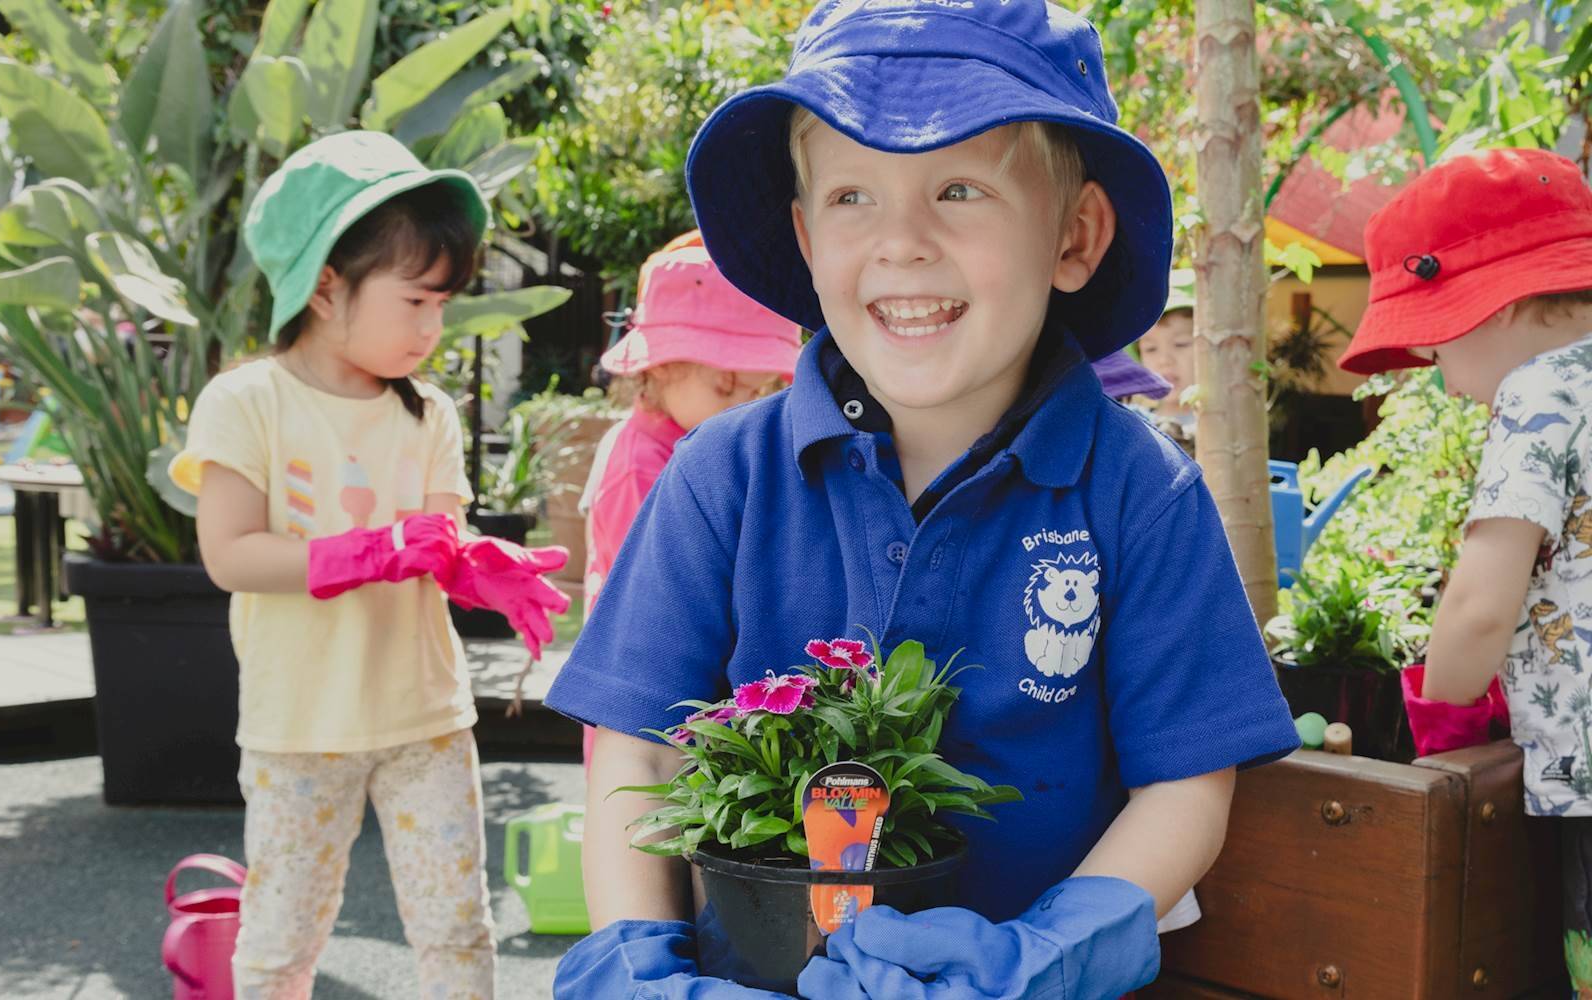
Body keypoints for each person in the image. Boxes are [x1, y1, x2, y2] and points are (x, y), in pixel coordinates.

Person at [546, 1, 1300, 996]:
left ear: (1074, 236)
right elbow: (635, 744)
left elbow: (1187, 783)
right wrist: (640, 960)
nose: (901, 243)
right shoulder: (718, 476)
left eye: (957, 188)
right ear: (806, 238)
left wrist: (1042, 954)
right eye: (853, 196)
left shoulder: (1141, 490)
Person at [168, 131, 568, 998]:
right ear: (323, 287)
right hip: (298, 730)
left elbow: (441, 541)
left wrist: (474, 567)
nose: (434, 327)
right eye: (416, 301)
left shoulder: (427, 416)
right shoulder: (248, 402)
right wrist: (369, 550)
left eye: (443, 305)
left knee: (459, 931)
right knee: (281, 940)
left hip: (425, 719)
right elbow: (230, 553)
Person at [1337, 147, 1592, 992]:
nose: (1444, 385)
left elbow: (1482, 606)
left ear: (1491, 308)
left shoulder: (1540, 392)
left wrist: (1439, 713)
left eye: (1433, 351)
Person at [577, 231, 802, 765]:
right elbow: (656, 619)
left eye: (761, 389)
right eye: (726, 388)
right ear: (657, 369)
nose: (742, 408)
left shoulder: (710, 450)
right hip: (653, 720)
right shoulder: (641, 466)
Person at [1135, 268, 1197, 446]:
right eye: (1151, 349)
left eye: (1181, 344)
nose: (1164, 360)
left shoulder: (1223, 422)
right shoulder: (1137, 422)